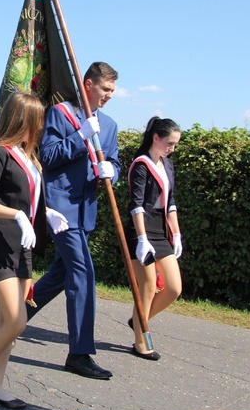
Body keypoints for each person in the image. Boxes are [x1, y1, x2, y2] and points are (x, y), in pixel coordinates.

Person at [0, 92, 69, 410]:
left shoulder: (30, 158)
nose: (42, 125)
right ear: (24, 118)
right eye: (38, 118)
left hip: (21, 249)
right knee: (16, 320)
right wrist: (17, 215)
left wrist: (46, 213)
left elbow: (28, 201)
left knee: (7, 325)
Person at [26, 61, 120, 380]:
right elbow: (48, 157)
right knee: (83, 273)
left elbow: (114, 162)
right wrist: (80, 136)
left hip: (86, 209)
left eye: (112, 91)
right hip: (61, 207)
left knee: (59, 273)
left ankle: (14, 316)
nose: (109, 95)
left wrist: (113, 172)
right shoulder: (60, 113)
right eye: (105, 89)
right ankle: (79, 353)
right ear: (88, 84)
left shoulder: (109, 125)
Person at [126, 117, 183, 361]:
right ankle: (141, 340)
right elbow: (136, 205)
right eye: (169, 143)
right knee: (148, 286)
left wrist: (177, 233)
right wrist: (141, 239)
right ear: (155, 138)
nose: (172, 148)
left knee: (173, 288)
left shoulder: (167, 165)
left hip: (161, 231)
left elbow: (170, 203)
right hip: (141, 229)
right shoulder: (140, 165)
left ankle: (138, 319)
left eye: (175, 145)